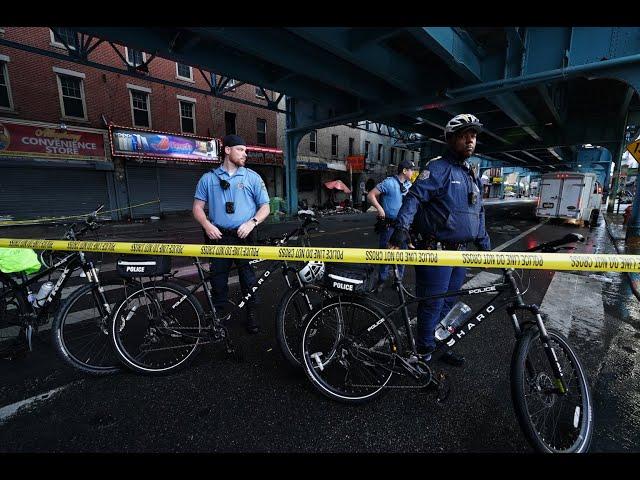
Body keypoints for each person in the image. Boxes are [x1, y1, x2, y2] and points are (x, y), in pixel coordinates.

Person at [389, 114, 491, 366]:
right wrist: (401, 227)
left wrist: (485, 243)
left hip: (460, 252)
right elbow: (414, 197)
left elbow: (478, 211)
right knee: (432, 304)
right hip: (436, 251)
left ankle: (436, 344)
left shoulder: (470, 174)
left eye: (474, 135)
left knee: (450, 301)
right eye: (465, 135)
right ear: (451, 138)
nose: (471, 140)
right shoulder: (438, 168)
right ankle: (423, 352)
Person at [193, 134, 270, 334]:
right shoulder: (208, 178)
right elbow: (197, 207)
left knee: (248, 278)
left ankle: (251, 313)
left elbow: (265, 207)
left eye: (245, 150)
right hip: (218, 236)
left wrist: (252, 222)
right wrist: (207, 224)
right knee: (218, 279)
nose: (245, 153)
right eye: (241, 149)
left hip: (244, 236)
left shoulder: (252, 177)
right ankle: (219, 314)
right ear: (227, 150)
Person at [367, 159, 416, 290]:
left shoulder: (409, 186)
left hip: (404, 227)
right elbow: (371, 195)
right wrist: (380, 208)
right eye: (411, 169)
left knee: (402, 255)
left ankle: (398, 281)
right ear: (405, 171)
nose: (413, 172)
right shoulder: (389, 183)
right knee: (386, 254)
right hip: (389, 226)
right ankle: (382, 280)